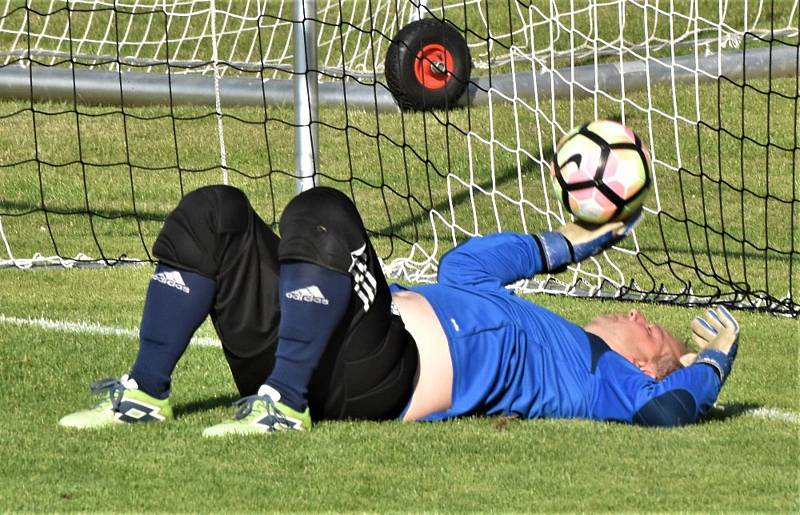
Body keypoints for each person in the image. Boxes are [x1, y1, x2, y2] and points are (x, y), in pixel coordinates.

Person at [59, 185, 739, 434]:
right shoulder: (510, 306)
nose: (646, 319)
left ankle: (283, 408)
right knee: (214, 215)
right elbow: (473, 263)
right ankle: (144, 394)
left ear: (648, 366)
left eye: (657, 336)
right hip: (302, 343)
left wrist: (709, 361)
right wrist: (569, 243)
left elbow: (667, 410)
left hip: (377, 376)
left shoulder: (597, 376)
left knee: (322, 215)